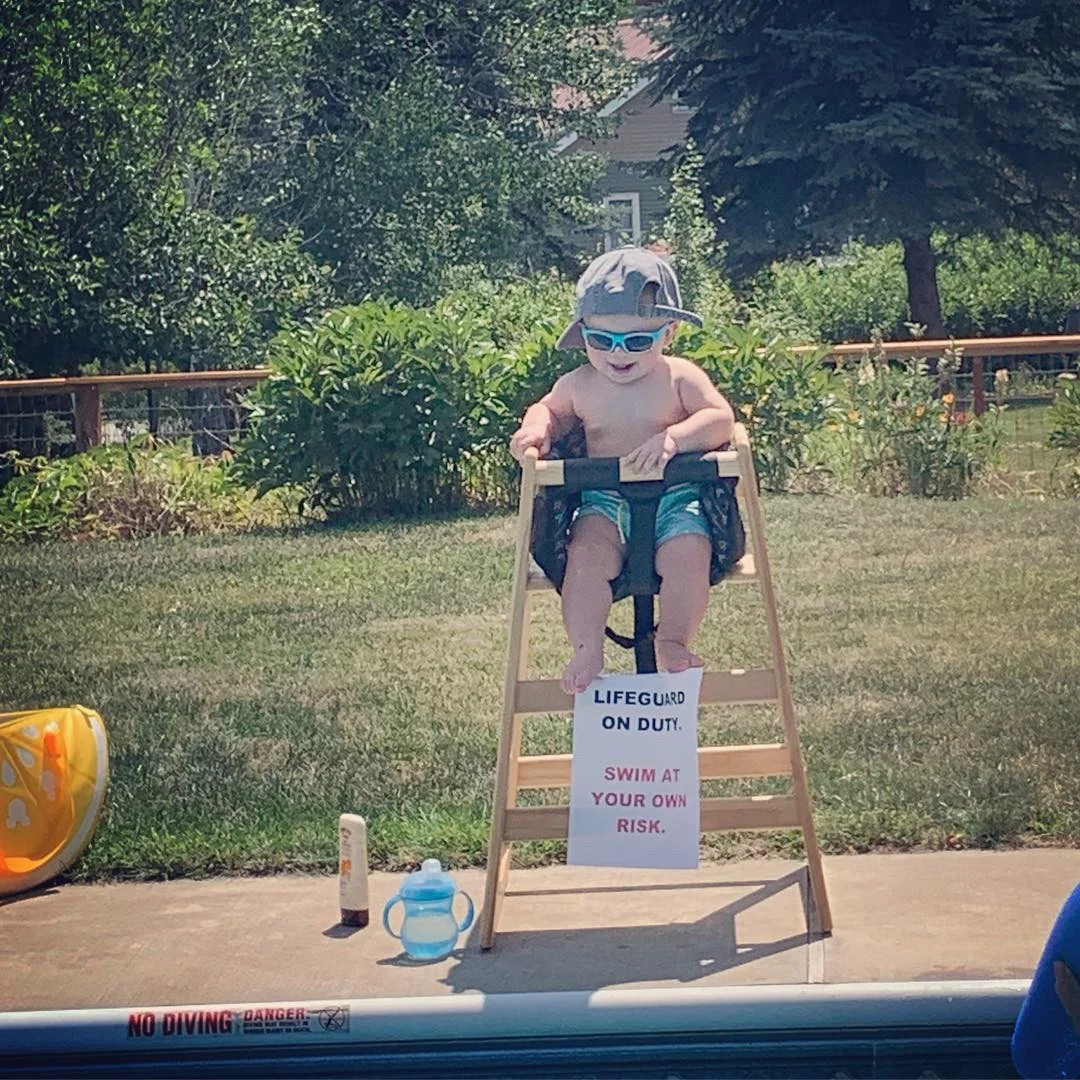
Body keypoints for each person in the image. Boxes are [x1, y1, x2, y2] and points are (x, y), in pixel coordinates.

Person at [509, 247, 735, 695]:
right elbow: (548, 410)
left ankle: (672, 637)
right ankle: (586, 645)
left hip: (677, 501)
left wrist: (674, 439)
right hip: (603, 504)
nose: (617, 354)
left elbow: (720, 419)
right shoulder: (579, 384)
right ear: (583, 336)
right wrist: (536, 428)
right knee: (585, 560)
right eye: (601, 341)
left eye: (636, 341)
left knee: (689, 555)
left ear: (667, 334)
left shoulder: (679, 377)